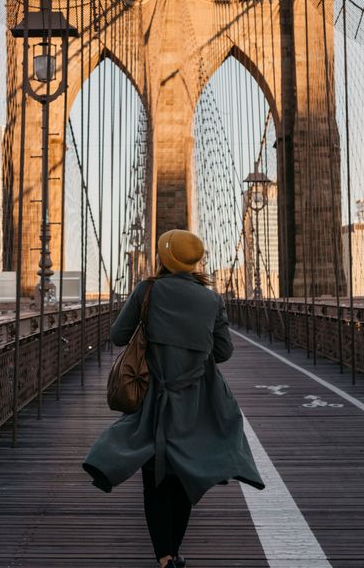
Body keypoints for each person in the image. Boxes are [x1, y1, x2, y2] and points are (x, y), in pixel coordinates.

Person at [83, 229, 265, 568]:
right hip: (195, 403)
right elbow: (223, 352)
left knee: (154, 480)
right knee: (183, 476)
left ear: (164, 258)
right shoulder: (212, 300)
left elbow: (118, 336)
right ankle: (174, 552)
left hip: (153, 399)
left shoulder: (148, 290)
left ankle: (164, 556)